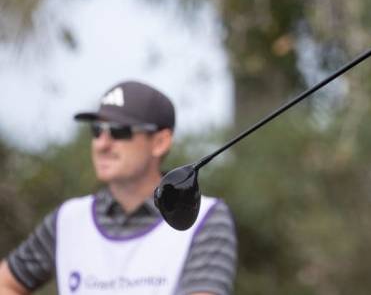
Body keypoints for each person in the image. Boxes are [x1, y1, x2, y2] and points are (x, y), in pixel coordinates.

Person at [0, 80, 237, 294]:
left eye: (119, 131)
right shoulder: (67, 219)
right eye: (96, 131)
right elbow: (6, 284)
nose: (102, 144)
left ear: (160, 142)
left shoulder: (206, 218)